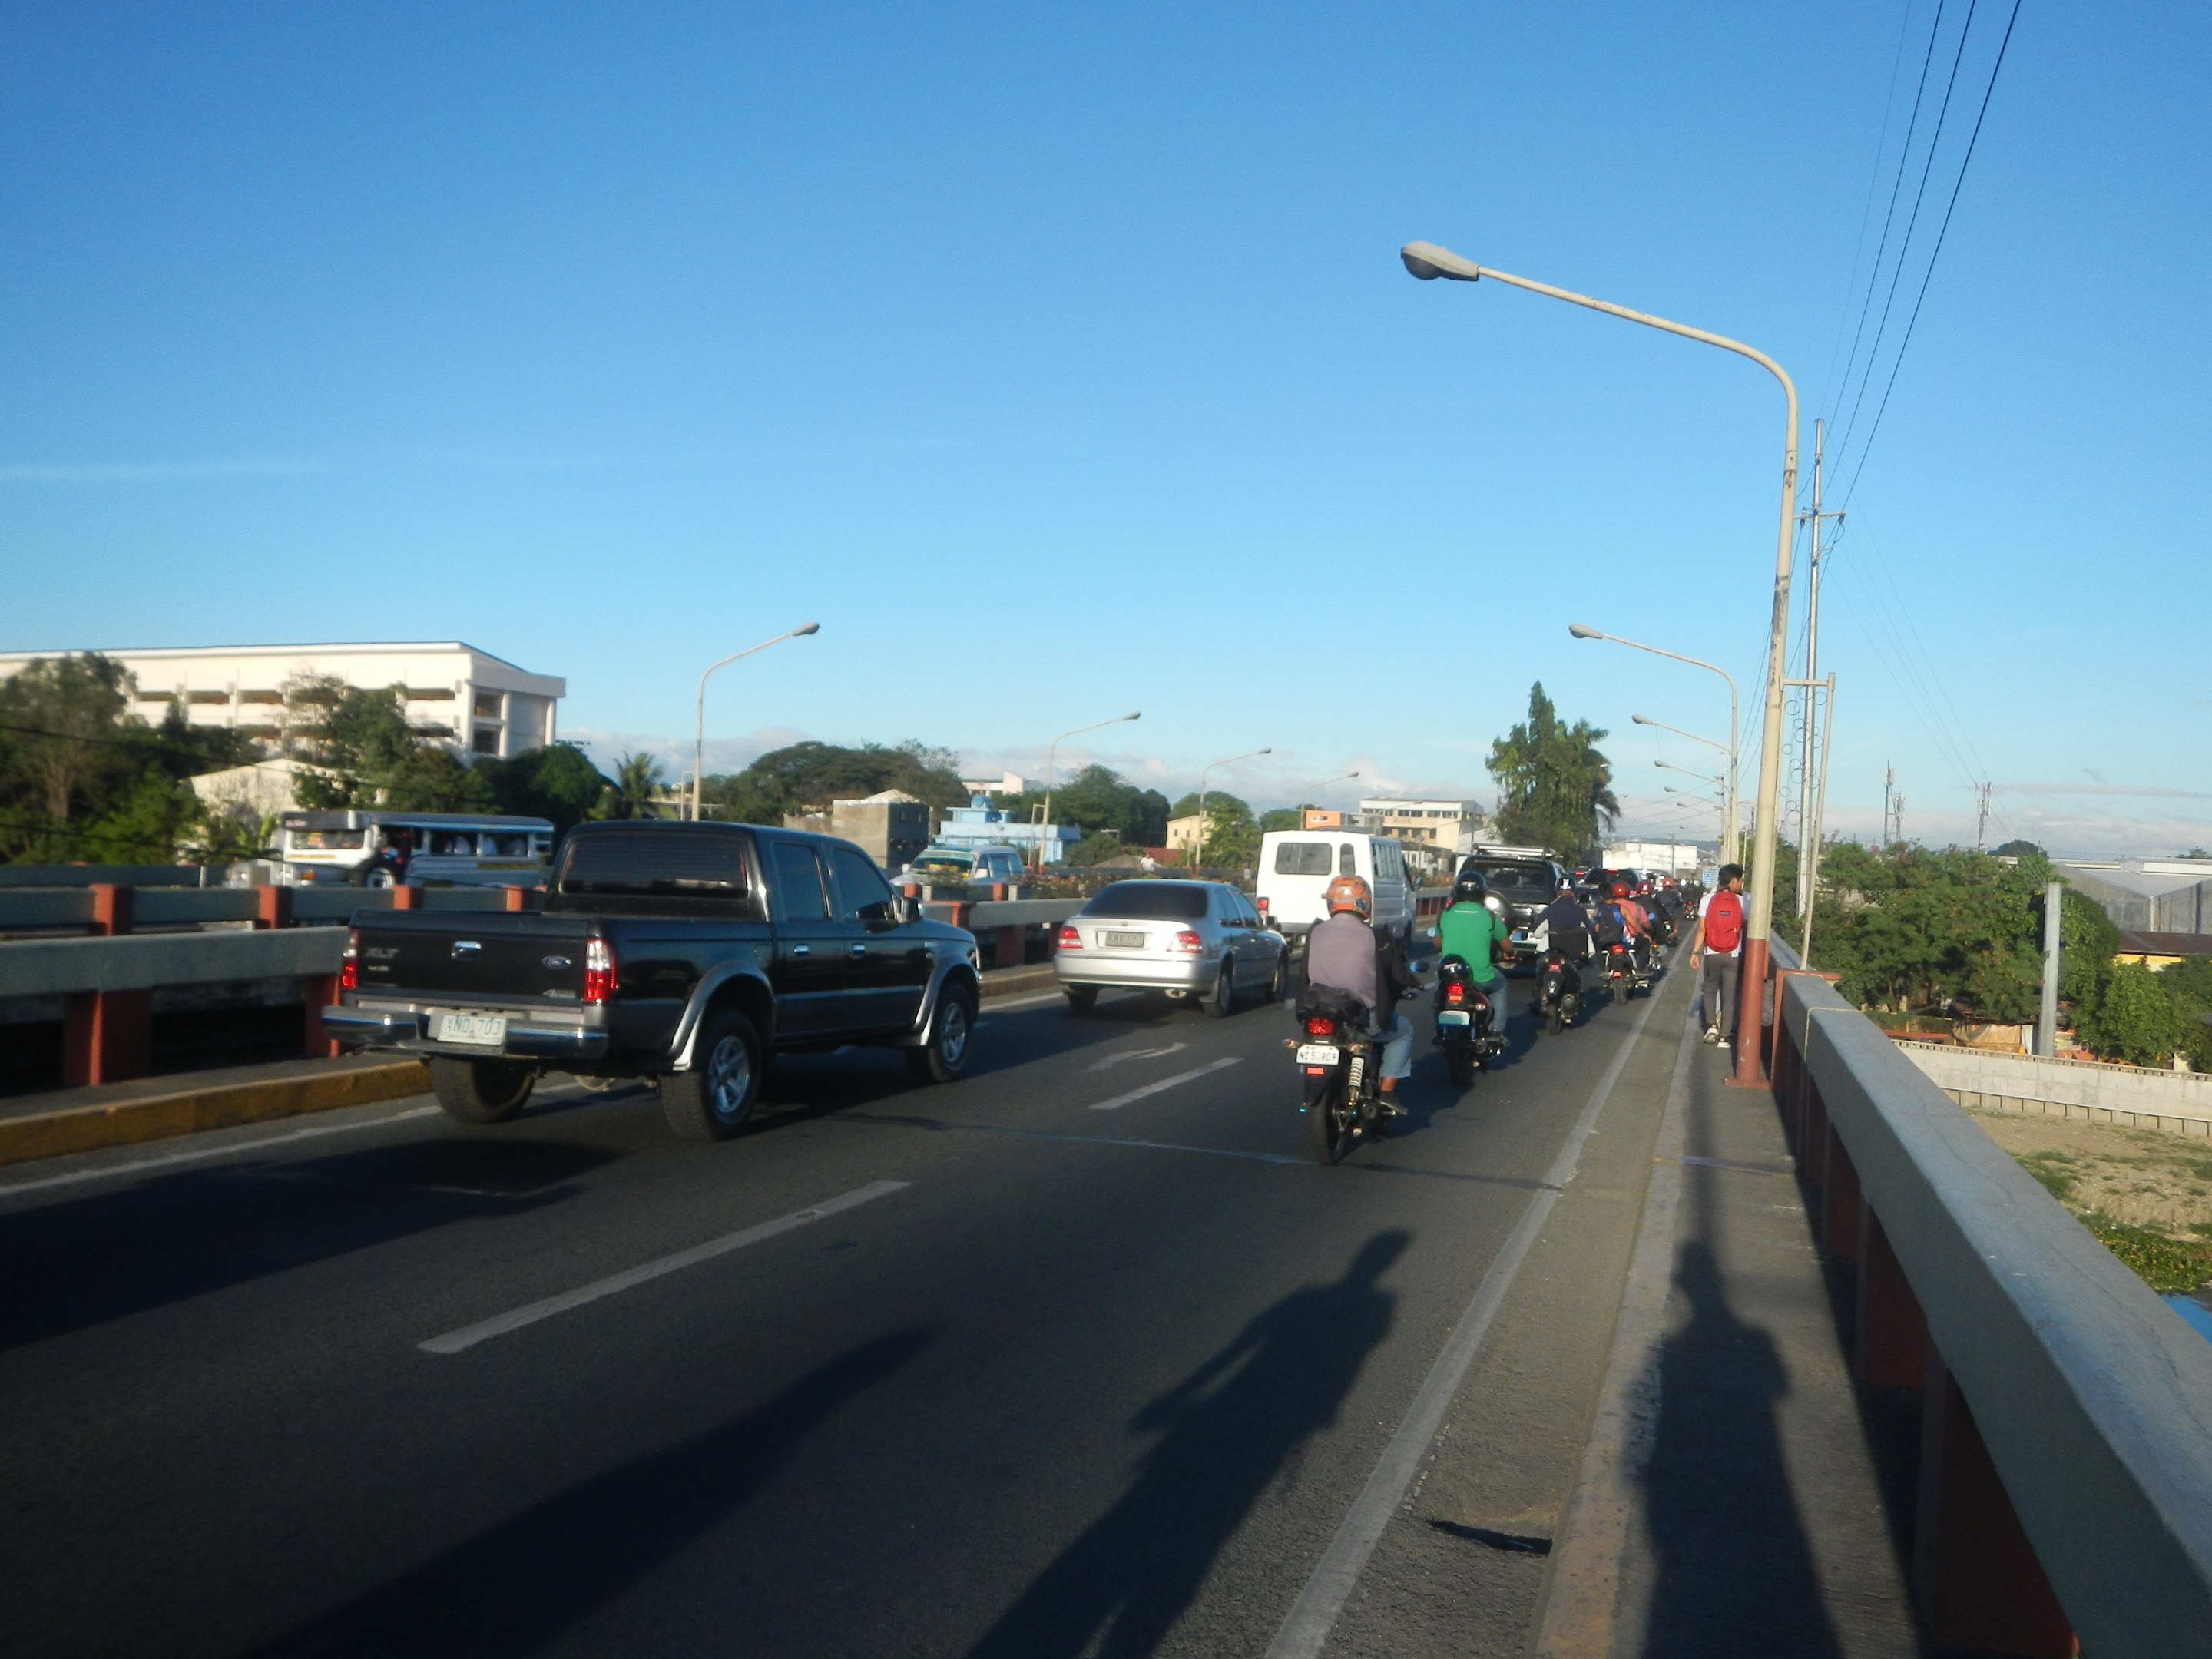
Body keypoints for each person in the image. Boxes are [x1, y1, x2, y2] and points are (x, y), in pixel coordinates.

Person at [1303, 874, 1421, 1110]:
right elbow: (1398, 975)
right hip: (1359, 1016)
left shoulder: (1315, 932)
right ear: (1364, 902)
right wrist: (1415, 982)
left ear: (1332, 902)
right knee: (1403, 1031)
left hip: (1318, 1012)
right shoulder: (1378, 937)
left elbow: (1305, 976)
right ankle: (1387, 1092)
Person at [1435, 868, 1512, 1007]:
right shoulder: (1491, 917)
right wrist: (1511, 953)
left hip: (1450, 975)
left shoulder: (1444, 915)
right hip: (1480, 978)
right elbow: (1507, 947)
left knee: (1440, 995)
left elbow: (1436, 944)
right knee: (1501, 986)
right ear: (1482, 893)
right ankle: (1497, 1022)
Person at [1690, 862, 1747, 1045]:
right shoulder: (1744, 901)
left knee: (1710, 990)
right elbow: (1747, 929)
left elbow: (1702, 929)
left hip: (1711, 953)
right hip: (1733, 955)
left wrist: (1695, 952)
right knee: (1729, 996)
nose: (1741, 884)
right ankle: (1724, 1037)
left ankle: (1711, 1026)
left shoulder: (1707, 900)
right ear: (1734, 881)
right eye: (1740, 881)